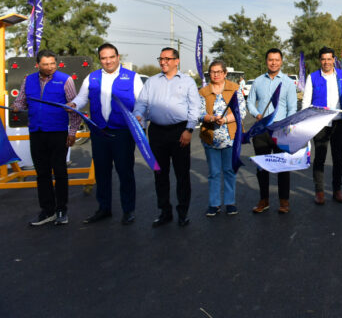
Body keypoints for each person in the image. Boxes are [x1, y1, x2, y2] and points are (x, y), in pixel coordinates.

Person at [69, 43, 143, 226]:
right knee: (102, 172)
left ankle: (128, 210)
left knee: (125, 172)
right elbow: (81, 98)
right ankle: (104, 208)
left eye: (111, 57)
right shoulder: (91, 78)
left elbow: (142, 102)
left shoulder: (132, 78)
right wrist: (73, 105)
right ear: (100, 60)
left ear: (118, 57)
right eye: (104, 58)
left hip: (123, 133)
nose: (108, 61)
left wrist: (140, 116)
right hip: (99, 132)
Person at [134, 47, 201, 227]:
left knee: (182, 175)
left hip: (180, 132)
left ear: (176, 61)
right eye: (161, 58)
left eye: (167, 59)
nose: (163, 62)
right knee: (160, 175)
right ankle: (164, 212)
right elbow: (141, 103)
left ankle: (183, 213)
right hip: (157, 132)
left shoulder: (187, 82)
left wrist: (189, 130)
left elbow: (195, 108)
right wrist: (139, 116)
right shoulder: (152, 82)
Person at [13, 49, 80, 226]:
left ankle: (61, 210)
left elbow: (74, 108)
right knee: (42, 174)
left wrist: (72, 132)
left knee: (59, 172)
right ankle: (47, 211)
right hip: (37, 132)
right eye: (45, 64)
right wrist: (17, 106)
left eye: (53, 64)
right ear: (38, 65)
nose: (50, 67)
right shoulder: (28, 80)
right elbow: (21, 100)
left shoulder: (66, 80)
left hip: (58, 133)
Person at [246, 48, 298, 214]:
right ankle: (264, 200)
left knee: (283, 167)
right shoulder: (258, 81)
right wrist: (256, 114)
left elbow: (292, 108)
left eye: (276, 59)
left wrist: (288, 126)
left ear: (281, 61)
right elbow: (250, 102)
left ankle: (284, 201)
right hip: (261, 129)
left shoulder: (288, 83)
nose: (273, 62)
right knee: (262, 167)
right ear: (266, 61)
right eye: (270, 60)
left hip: (281, 129)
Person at [301, 47, 342, 205]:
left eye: (329, 59)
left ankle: (337, 190)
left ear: (334, 60)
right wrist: (304, 121)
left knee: (338, 158)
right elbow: (306, 101)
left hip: (338, 122)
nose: (326, 62)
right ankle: (320, 192)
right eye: (323, 59)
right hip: (319, 123)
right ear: (320, 60)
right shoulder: (312, 77)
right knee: (320, 158)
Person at [199, 61, 247, 217]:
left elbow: (241, 112)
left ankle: (230, 203)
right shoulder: (203, 91)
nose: (216, 74)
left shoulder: (234, 89)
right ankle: (214, 204)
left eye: (219, 71)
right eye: (213, 72)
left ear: (225, 73)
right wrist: (210, 118)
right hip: (210, 138)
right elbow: (198, 112)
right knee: (213, 173)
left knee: (229, 171)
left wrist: (225, 120)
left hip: (230, 137)